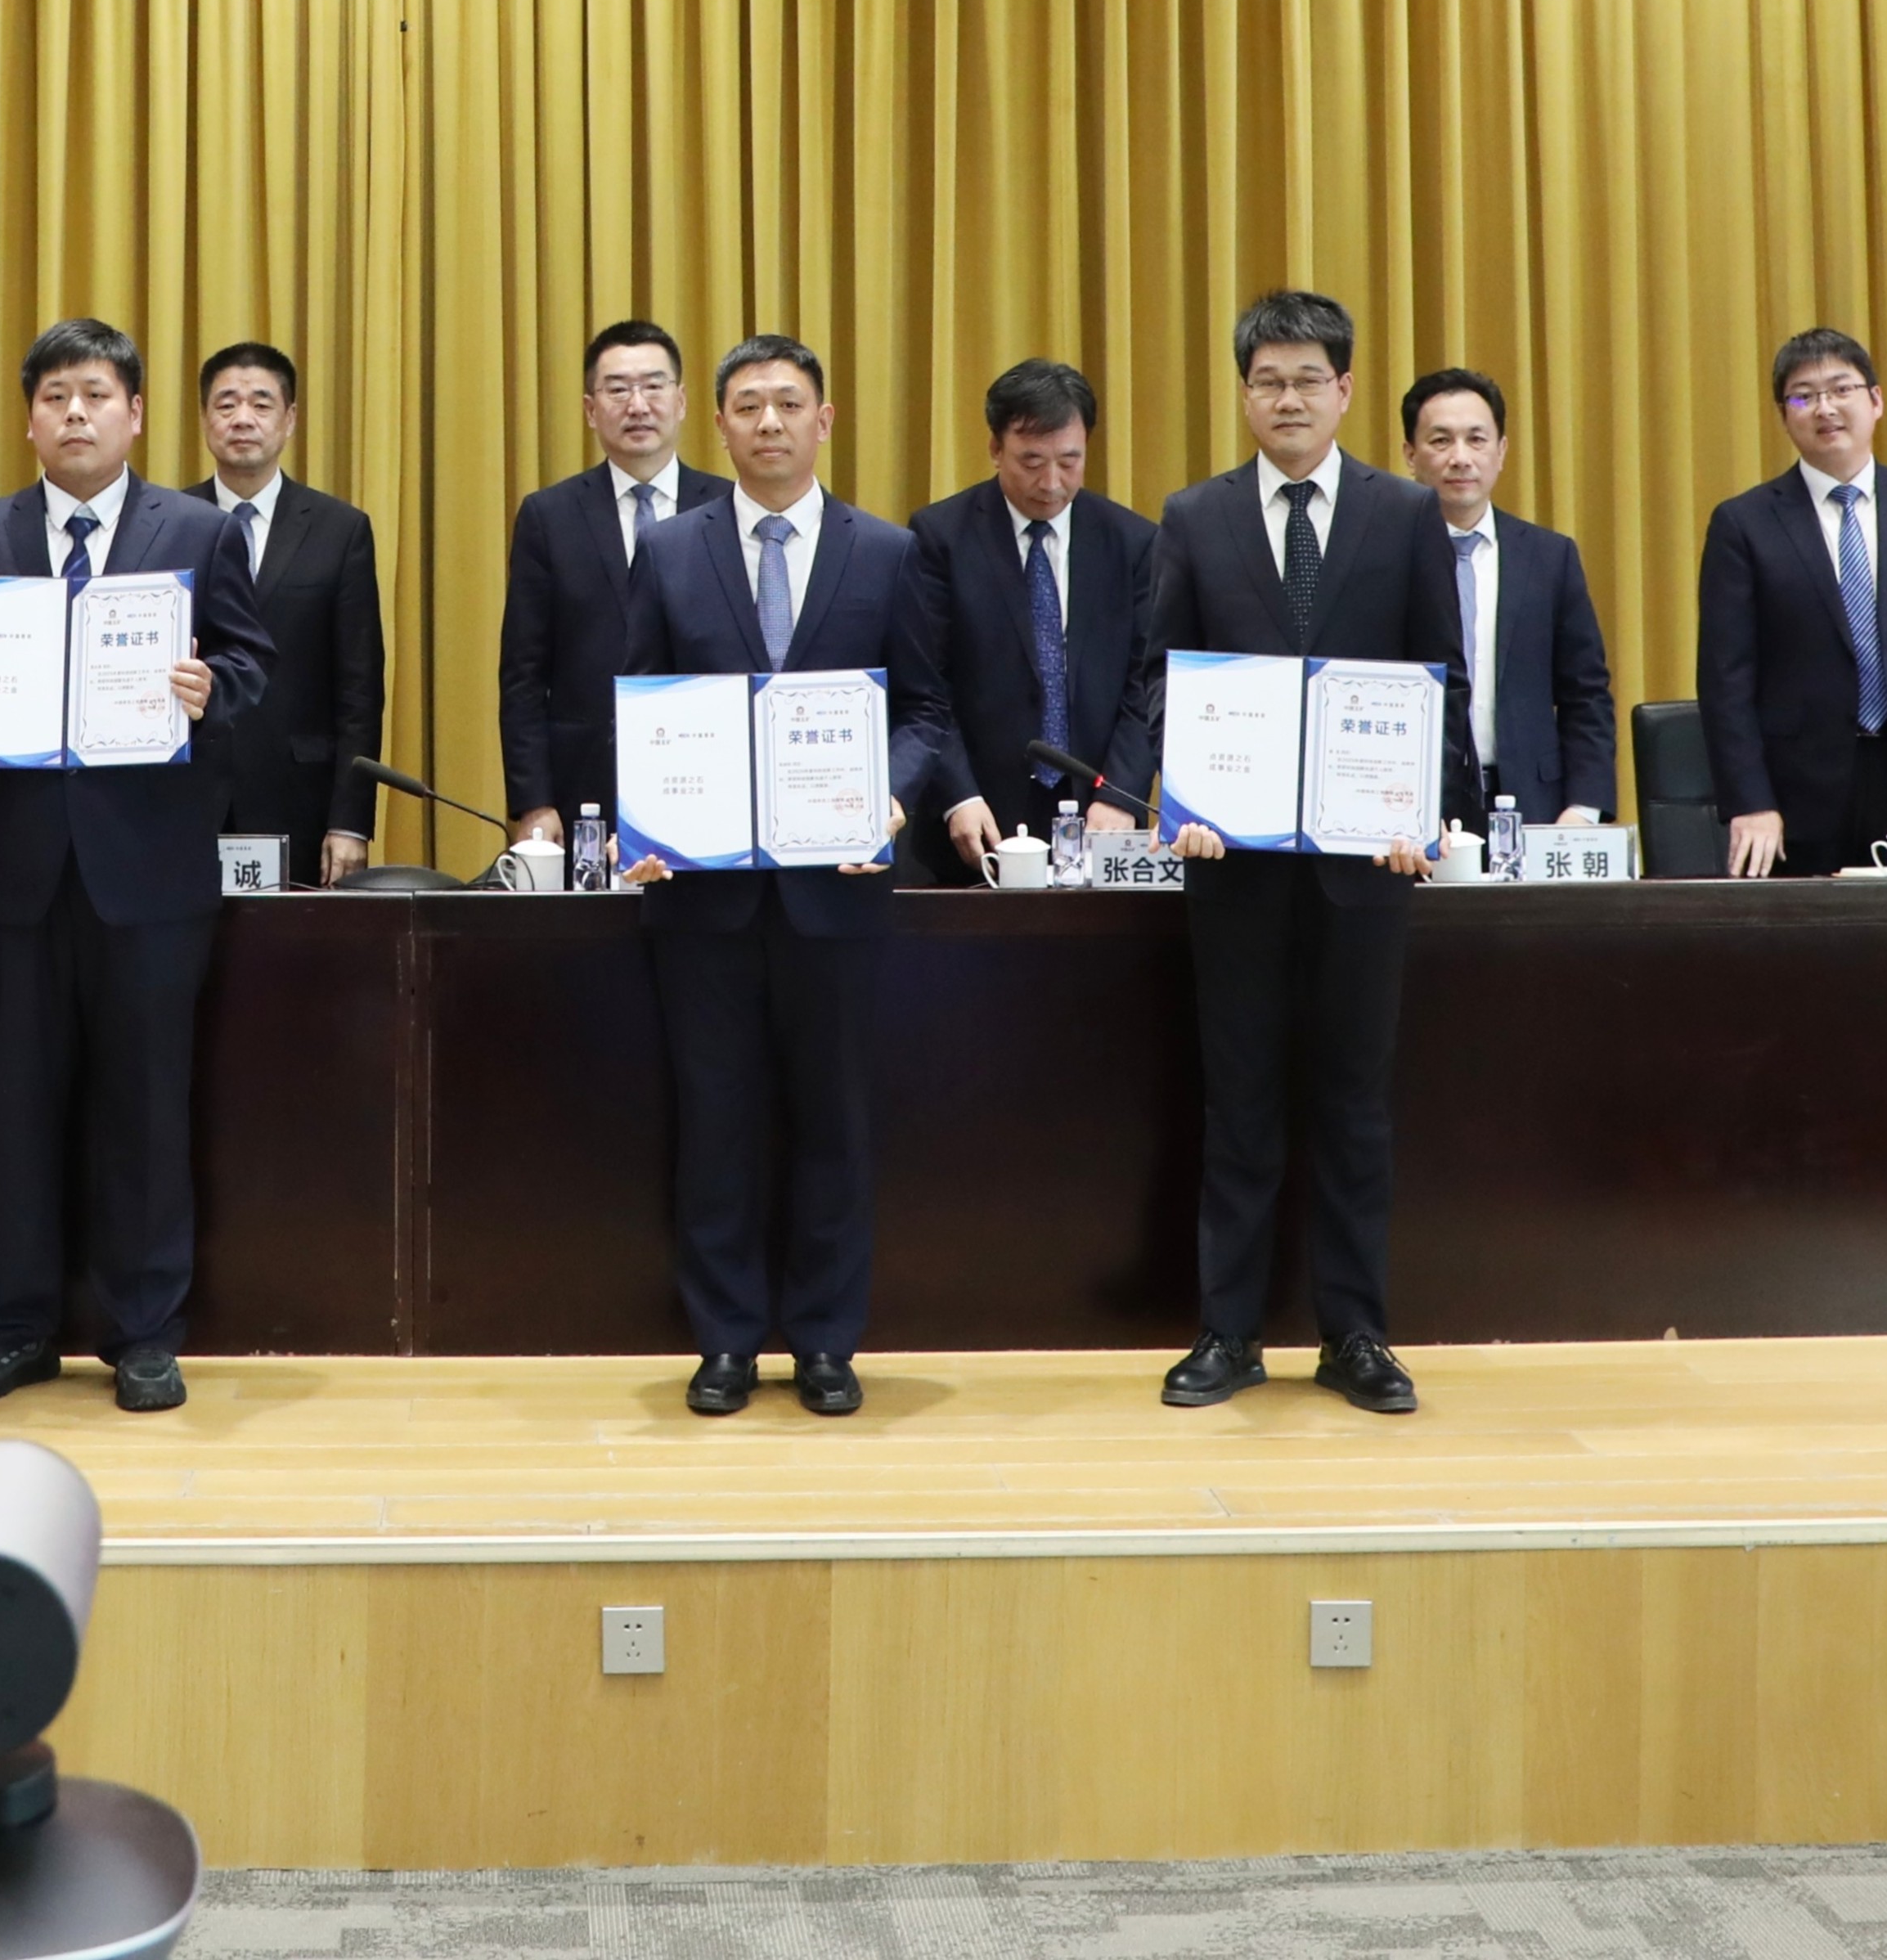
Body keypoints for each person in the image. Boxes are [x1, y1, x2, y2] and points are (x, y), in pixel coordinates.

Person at [0, 321, 271, 1415]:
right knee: (13, 1104)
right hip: (10, 870)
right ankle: (12, 1326)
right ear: (28, 418)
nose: (75, 412)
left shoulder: (198, 530)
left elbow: (252, 661)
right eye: (55, 394)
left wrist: (213, 687)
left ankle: (144, 1330)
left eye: (96, 393)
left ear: (135, 413)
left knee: (146, 1105)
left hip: (147, 871)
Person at [618, 334, 984, 1419]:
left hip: (839, 885)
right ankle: (725, 1338)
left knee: (834, 1118)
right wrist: (645, 818)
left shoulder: (887, 551)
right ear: (718, 424)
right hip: (703, 893)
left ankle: (826, 1338)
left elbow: (925, 708)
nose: (768, 421)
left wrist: (892, 796)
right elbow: (639, 699)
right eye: (748, 404)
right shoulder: (669, 550)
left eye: (788, 402)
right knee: (714, 1118)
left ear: (824, 420)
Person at [1126, 290, 1458, 1419]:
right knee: (1241, 1101)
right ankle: (1228, 1331)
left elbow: (1437, 679)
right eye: (1267, 380)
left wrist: (1423, 808)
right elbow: (1163, 675)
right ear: (1243, 393)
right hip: (1235, 862)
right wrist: (1182, 794)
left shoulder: (1404, 512)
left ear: (1345, 389)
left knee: (1354, 1103)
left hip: (1367, 866)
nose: (1288, 398)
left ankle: (1355, 1333)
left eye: (1308, 378)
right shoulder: (1194, 515)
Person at [1698, 326, 1887, 879]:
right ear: (1783, 416)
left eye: (1842, 389)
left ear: (1876, 400)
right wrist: (1750, 801)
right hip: (1796, 793)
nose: (1825, 408)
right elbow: (1725, 679)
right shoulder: (1743, 523)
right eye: (1802, 397)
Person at [892, 357, 1157, 871]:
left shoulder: (1133, 542)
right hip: (977, 817)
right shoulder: (940, 537)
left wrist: (1120, 793)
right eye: (1031, 461)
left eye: (1069, 461)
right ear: (996, 449)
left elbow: (1146, 683)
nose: (1052, 482)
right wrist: (958, 794)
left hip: (1099, 812)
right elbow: (926, 685)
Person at [498, 319, 726, 847]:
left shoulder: (728, 508)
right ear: (590, 409)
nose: (637, 406)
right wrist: (534, 801)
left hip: (706, 778)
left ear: (682, 401)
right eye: (618, 390)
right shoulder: (549, 516)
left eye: (653, 386)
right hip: (584, 787)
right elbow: (523, 675)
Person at [187, 341, 391, 880]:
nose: (243, 418)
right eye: (226, 404)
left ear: (290, 419)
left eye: (261, 403)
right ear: (204, 418)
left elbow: (359, 690)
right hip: (185, 794)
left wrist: (350, 821)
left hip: (300, 798)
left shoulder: (339, 530)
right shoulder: (169, 523)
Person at [1400, 368, 1618, 829]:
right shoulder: (1386, 557)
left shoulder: (1550, 557)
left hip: (1535, 806)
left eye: (1476, 440)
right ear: (1410, 455)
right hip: (1416, 809)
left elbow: (1586, 694)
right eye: (1441, 441)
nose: (1460, 458)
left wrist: (1584, 808)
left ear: (1501, 451)